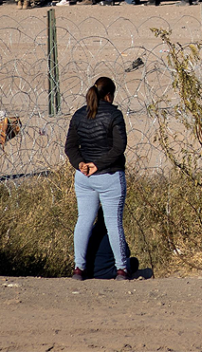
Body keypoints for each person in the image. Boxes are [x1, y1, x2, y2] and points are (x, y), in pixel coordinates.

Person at [64, 77, 130, 281]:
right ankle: (121, 270)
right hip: (108, 175)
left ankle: (78, 268)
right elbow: (119, 147)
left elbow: (70, 147)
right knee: (113, 223)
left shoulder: (79, 115)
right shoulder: (114, 115)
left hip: (84, 177)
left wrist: (81, 164)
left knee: (83, 220)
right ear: (109, 95)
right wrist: (98, 165)